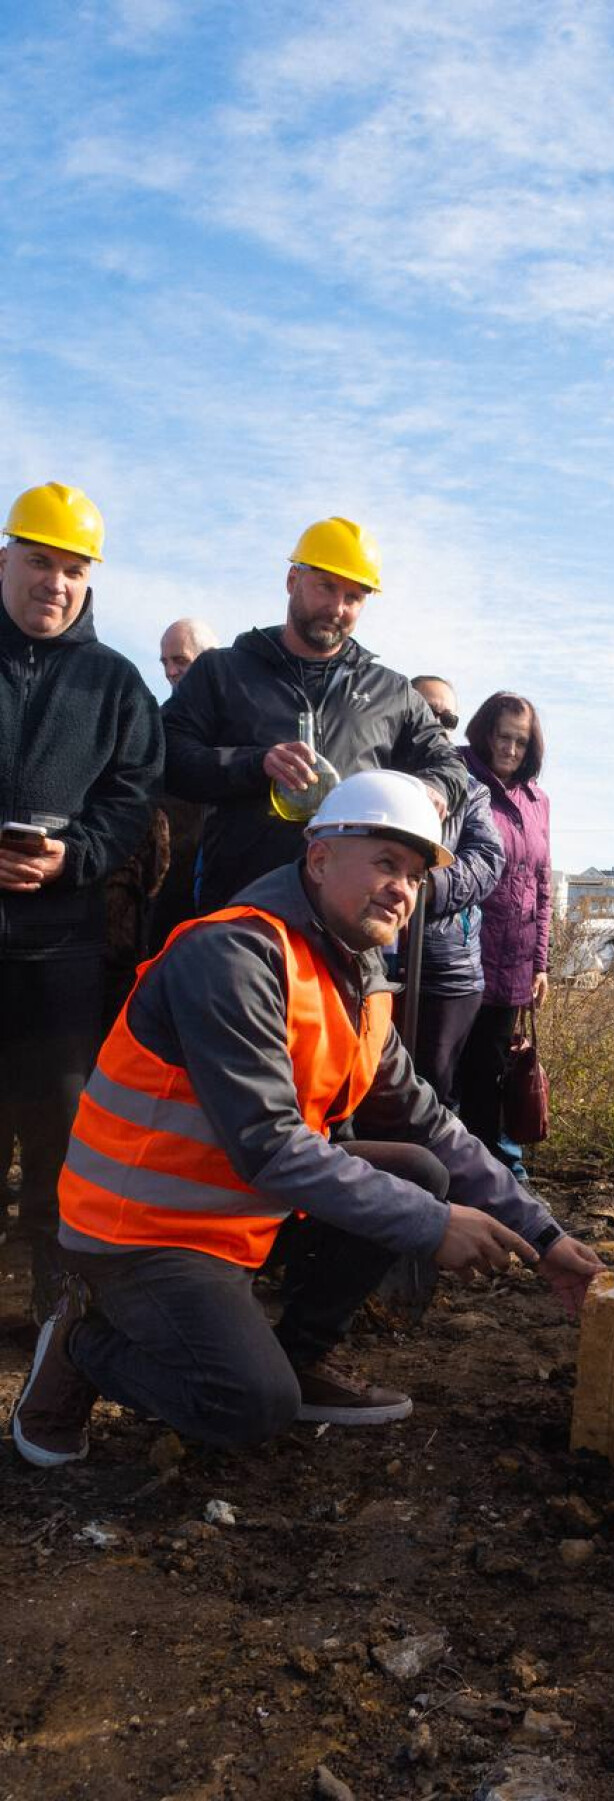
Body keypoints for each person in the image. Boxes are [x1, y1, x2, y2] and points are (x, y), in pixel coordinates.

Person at [11, 770, 601, 1469]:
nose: (402, 889)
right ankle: (83, 1339)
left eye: (413, 875)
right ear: (318, 857)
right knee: (248, 1405)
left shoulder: (355, 974)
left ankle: (296, 1358)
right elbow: (270, 1147)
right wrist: (434, 1224)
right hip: (139, 1234)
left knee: (422, 1168)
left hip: (238, 1218)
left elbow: (431, 1123)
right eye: (386, 862)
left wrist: (544, 1234)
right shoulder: (232, 956)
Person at [0, 483, 163, 1320]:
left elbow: (132, 801)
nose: (53, 583)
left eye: (71, 568)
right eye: (38, 561)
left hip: (60, 958)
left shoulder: (116, 686)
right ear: (5, 558)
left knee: (61, 1140)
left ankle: (52, 1314)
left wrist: (75, 856)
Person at [162, 517, 466, 910]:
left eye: (354, 597)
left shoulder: (391, 692)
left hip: (350, 922)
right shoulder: (222, 672)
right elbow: (168, 756)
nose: (337, 608)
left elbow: (449, 764)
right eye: (326, 587)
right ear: (292, 580)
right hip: (244, 910)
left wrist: (435, 788)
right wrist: (255, 764)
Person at [457, 692, 552, 1170]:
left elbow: (541, 885)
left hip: (513, 964)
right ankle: (464, 1169)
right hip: (462, 955)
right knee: (455, 1070)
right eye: (502, 737)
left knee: (495, 1069)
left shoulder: (538, 801)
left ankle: (494, 1167)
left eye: (520, 740)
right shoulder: (460, 779)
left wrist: (540, 964)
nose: (510, 749)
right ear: (484, 733)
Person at [409, 676, 505, 1109]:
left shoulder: (471, 790)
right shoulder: (374, 776)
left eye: (449, 718)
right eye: (429, 712)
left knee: (434, 1090)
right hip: (370, 959)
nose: (440, 724)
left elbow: (487, 859)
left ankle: (434, 1177)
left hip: (447, 966)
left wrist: (426, 887)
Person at [148, 618, 221, 952]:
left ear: (211, 660)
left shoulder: (243, 722)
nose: (171, 671)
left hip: (228, 883)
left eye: (181, 660)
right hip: (168, 886)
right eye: (165, 662)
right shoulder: (153, 725)